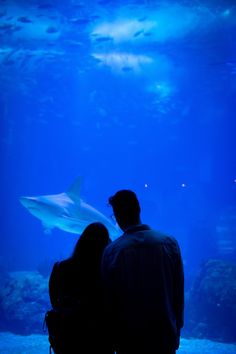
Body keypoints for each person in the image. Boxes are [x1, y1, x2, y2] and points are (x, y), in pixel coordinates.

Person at [101, 190, 184, 354]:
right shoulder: (169, 243)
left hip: (128, 338)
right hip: (164, 334)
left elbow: (109, 300)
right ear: (139, 209)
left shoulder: (112, 251)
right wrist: (177, 329)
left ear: (117, 216)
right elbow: (178, 292)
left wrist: (111, 339)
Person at [48, 222, 113, 354]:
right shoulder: (108, 270)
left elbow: (54, 302)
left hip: (68, 337)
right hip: (100, 338)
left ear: (81, 241)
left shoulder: (60, 268)